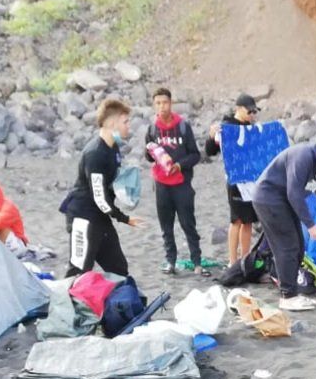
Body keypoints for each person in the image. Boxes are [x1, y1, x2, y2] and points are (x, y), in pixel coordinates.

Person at [251, 139, 316, 311]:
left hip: (285, 202)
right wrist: (311, 224)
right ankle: (287, 296)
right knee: (287, 247)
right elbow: (293, 193)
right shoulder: (304, 156)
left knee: (299, 248)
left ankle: (292, 293)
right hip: (268, 199)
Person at [63, 97, 142, 277]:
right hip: (83, 216)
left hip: (101, 217)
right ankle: (67, 304)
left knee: (118, 268)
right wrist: (124, 218)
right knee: (78, 272)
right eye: (125, 121)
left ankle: (121, 303)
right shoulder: (95, 153)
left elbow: (109, 183)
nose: (129, 126)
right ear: (112, 123)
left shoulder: (113, 147)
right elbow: (99, 197)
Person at [144, 87, 204, 276]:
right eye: (158, 103)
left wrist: (179, 165)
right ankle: (170, 261)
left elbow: (195, 155)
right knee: (166, 226)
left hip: (182, 183)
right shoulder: (152, 128)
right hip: (161, 184)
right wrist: (151, 152)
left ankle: (196, 262)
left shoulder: (183, 126)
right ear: (154, 105)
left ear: (171, 103)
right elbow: (149, 156)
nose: (162, 106)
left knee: (188, 223)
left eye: (165, 102)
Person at [203, 93, 263, 268]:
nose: (252, 115)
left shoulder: (251, 128)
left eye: (254, 112)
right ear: (238, 108)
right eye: (249, 111)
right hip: (235, 180)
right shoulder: (227, 126)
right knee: (236, 220)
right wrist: (212, 135)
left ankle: (245, 257)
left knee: (248, 220)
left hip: (250, 180)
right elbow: (210, 151)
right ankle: (232, 260)